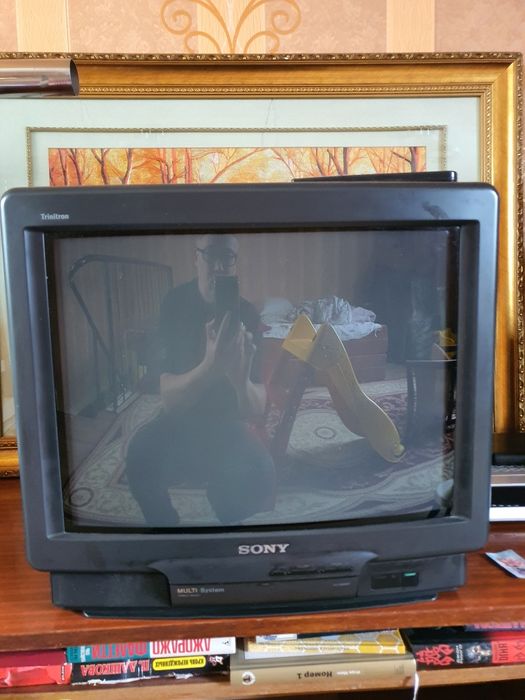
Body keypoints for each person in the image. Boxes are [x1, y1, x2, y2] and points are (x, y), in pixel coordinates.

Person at [125, 233, 275, 526]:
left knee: (261, 471)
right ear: (196, 258)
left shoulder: (246, 312)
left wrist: (239, 379)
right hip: (181, 419)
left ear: (235, 262)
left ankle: (229, 530)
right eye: (210, 255)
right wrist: (211, 366)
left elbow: (255, 409)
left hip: (228, 423)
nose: (218, 266)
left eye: (227, 257)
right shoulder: (175, 303)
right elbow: (170, 402)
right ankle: (166, 530)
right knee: (140, 456)